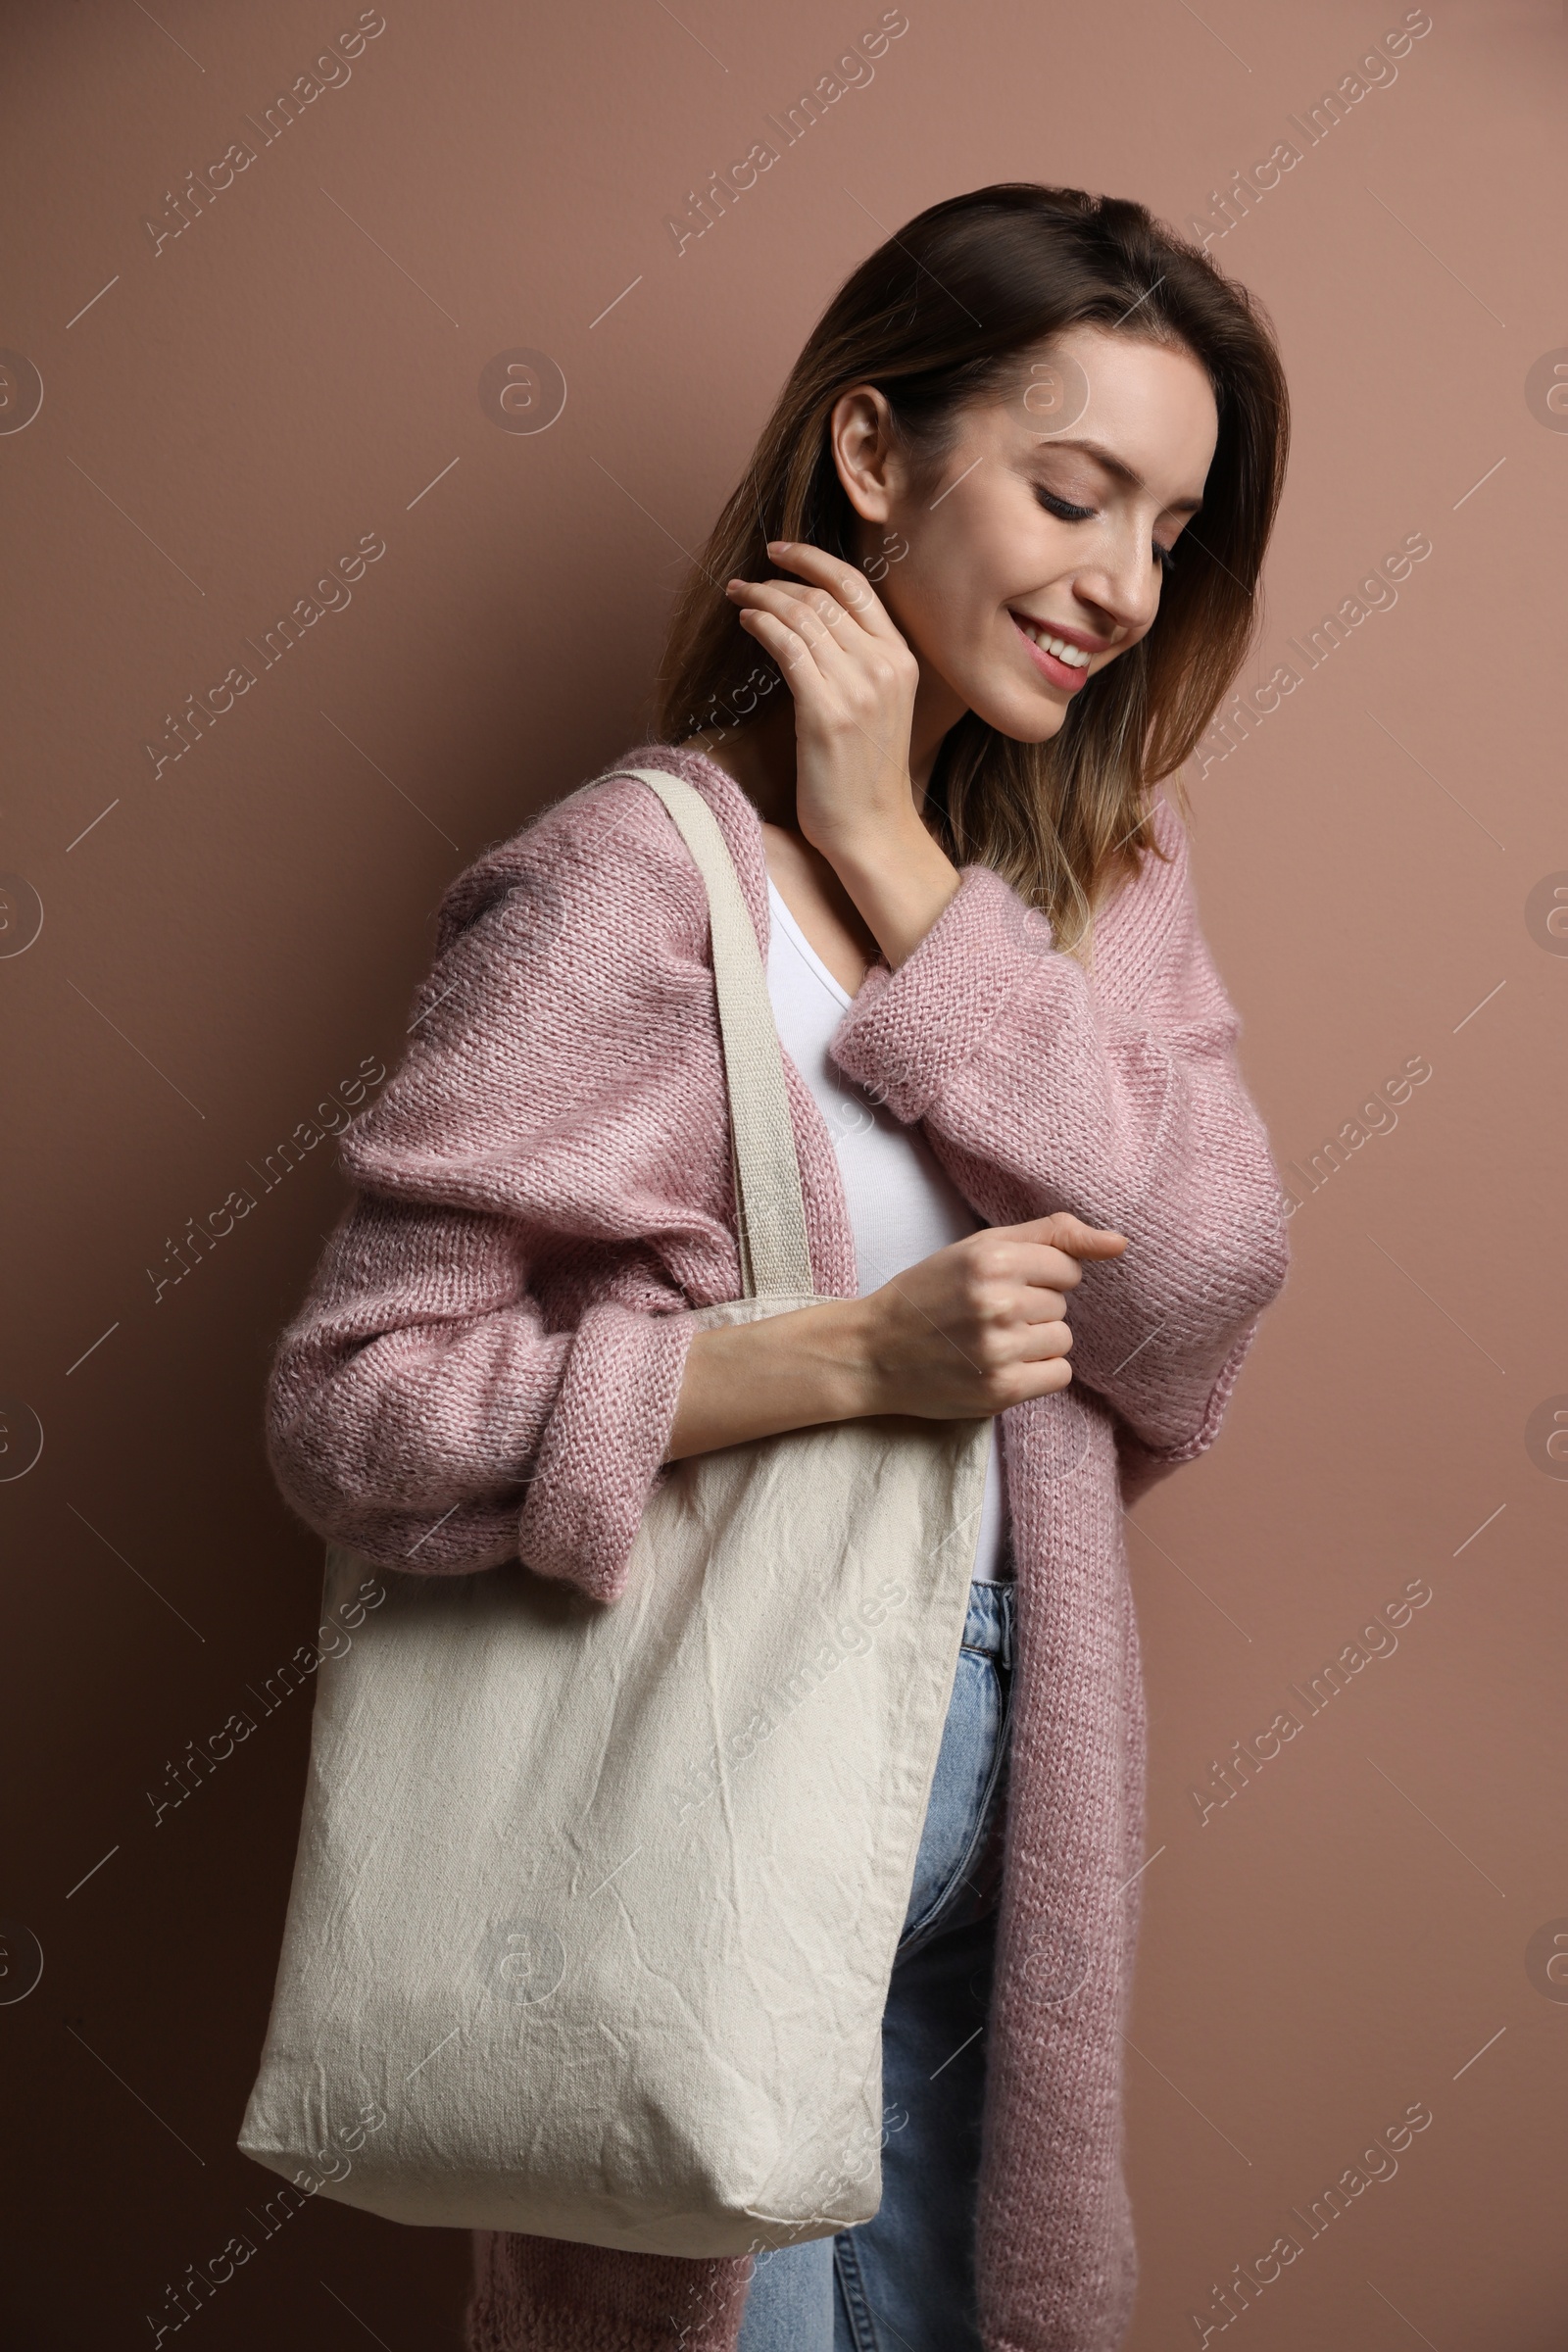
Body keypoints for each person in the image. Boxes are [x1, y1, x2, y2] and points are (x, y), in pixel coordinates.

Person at [264, 182, 1291, 2352]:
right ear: (868, 454)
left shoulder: (1094, 880)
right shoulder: (625, 886)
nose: (1118, 585)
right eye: (1070, 492)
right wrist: (831, 1357)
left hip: (1011, 1810)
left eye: (1167, 531)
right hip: (705, 1795)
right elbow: (355, 1416)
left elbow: (1191, 1291)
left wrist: (905, 868)